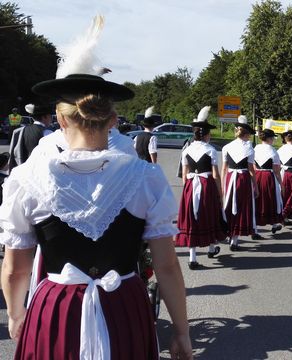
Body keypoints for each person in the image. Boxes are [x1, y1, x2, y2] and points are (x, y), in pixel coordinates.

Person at [0, 15, 191, 359]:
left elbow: (16, 268)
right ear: (113, 120)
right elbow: (166, 267)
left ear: (59, 119)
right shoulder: (145, 179)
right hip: (125, 307)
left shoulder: (28, 180)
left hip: (55, 310)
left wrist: (16, 314)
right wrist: (181, 332)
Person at [175, 106, 226, 270]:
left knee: (192, 220)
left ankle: (193, 257)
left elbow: (184, 174)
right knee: (209, 215)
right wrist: (220, 192)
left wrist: (187, 192)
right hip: (206, 185)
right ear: (205, 135)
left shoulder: (186, 150)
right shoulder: (211, 150)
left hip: (190, 186)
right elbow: (216, 175)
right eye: (209, 133)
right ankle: (211, 248)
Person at [221, 115, 257, 251]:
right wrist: (255, 185)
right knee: (241, 207)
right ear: (246, 134)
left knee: (229, 206)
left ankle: (230, 235)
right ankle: (234, 240)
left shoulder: (226, 147)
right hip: (243, 179)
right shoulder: (249, 149)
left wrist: (223, 185)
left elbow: (224, 168)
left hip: (230, 178)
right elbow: (251, 169)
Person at [253, 126, 284, 237]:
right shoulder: (273, 151)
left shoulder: (255, 148)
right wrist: (281, 184)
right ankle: (274, 223)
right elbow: (276, 170)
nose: (274, 140)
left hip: (256, 175)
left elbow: (252, 164)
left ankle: (254, 227)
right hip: (268, 177)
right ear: (270, 139)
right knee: (272, 199)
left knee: (257, 200)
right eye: (273, 138)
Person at [7, 103, 53, 171]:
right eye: (50, 116)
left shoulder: (19, 131)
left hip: (23, 172)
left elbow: (12, 157)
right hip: (40, 172)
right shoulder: (48, 133)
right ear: (44, 117)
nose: (51, 119)